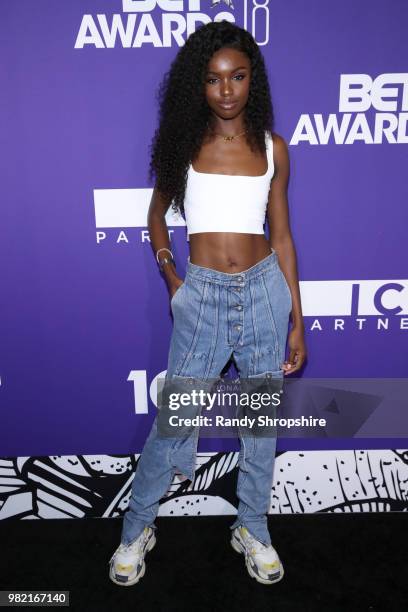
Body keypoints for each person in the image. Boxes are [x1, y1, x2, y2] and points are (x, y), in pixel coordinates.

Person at [109, 20, 306, 587]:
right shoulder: (183, 144)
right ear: (198, 85)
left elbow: (284, 237)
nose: (226, 90)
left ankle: (252, 527)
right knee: (172, 424)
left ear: (252, 80)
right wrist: (172, 276)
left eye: (237, 76)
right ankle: (136, 528)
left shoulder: (275, 150)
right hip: (202, 298)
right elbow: (156, 216)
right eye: (214, 79)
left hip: (266, 292)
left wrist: (298, 320)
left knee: (260, 426)